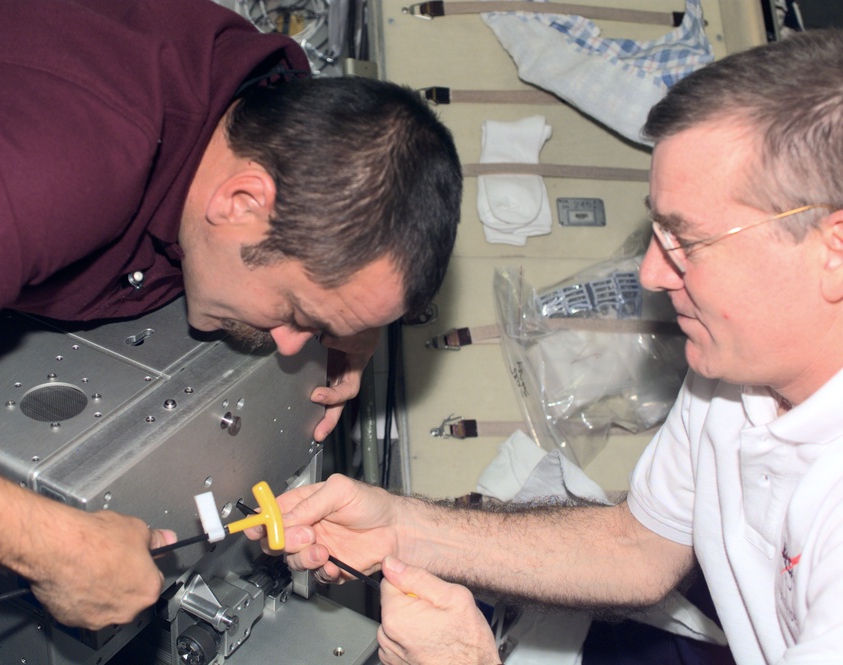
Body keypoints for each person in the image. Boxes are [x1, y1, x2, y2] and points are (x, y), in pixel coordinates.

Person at [0, 0, 461, 631]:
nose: (290, 344)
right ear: (241, 201)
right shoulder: (48, 163)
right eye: (296, 312)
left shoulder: (275, 115)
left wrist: (349, 325)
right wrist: (52, 547)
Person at [262, 29, 843, 665]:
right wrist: (402, 527)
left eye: (687, 242)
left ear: (833, 249)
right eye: (655, 230)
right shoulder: (734, 375)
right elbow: (639, 548)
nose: (650, 272)